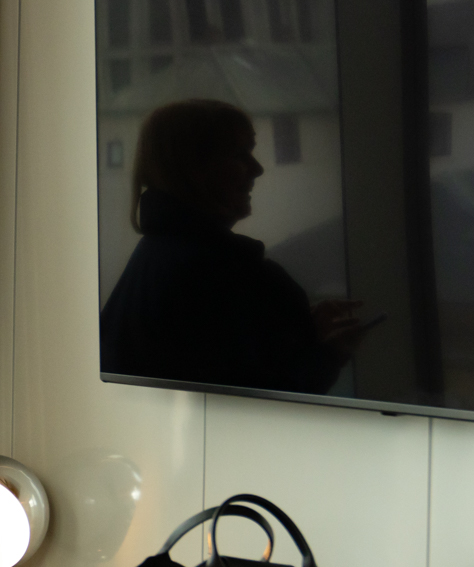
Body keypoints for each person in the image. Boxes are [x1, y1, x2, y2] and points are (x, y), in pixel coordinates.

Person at [100, 98, 366, 394]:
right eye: (240, 155)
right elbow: (258, 397)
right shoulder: (217, 271)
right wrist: (328, 355)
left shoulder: (154, 259)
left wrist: (297, 331)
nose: (257, 169)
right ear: (193, 170)